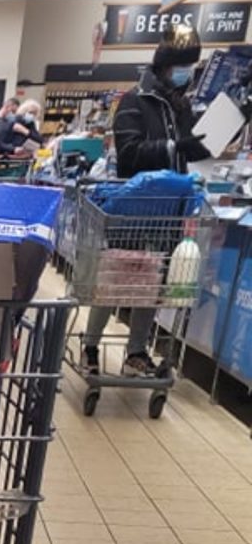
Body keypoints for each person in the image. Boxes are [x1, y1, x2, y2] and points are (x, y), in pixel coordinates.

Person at [82, 29, 208, 377]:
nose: (185, 72)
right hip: (135, 205)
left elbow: (191, 146)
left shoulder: (181, 107)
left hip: (169, 210)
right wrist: (173, 148)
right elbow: (128, 154)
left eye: (190, 66)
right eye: (181, 65)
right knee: (119, 276)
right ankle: (90, 345)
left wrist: (199, 145)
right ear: (165, 65)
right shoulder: (135, 101)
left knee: (151, 284)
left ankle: (136, 352)